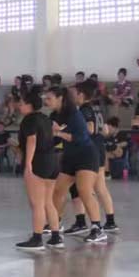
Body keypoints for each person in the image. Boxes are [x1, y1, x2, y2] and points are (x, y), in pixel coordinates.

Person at [46, 86, 107, 244]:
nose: (46, 101)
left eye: (49, 98)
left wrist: (58, 132)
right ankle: (56, 224)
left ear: (60, 98)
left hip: (86, 155)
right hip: (70, 157)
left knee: (84, 190)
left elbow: (81, 136)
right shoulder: (55, 115)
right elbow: (54, 139)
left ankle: (97, 228)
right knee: (58, 191)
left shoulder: (74, 114)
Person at [15, 86, 61, 251]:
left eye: (21, 103)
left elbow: (32, 140)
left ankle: (37, 238)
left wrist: (28, 164)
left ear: (29, 105)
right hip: (52, 162)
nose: (19, 106)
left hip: (38, 163)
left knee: (37, 204)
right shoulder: (45, 118)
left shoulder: (29, 120)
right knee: (48, 201)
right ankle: (56, 237)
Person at [77, 80, 118, 232]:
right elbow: (104, 129)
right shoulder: (99, 107)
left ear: (82, 94)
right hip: (99, 146)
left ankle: (87, 222)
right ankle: (110, 220)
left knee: (84, 187)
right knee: (100, 187)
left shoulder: (85, 109)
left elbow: (90, 129)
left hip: (91, 149)